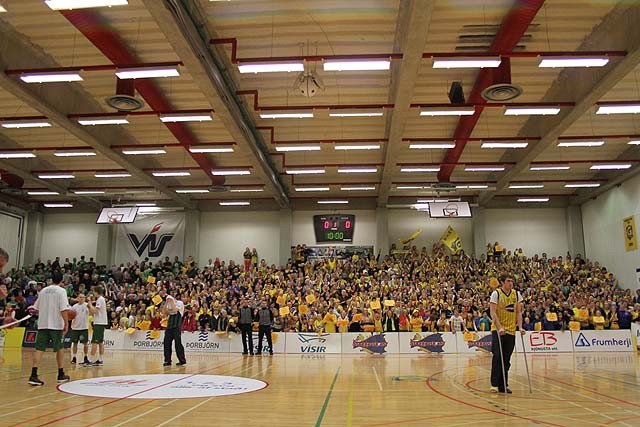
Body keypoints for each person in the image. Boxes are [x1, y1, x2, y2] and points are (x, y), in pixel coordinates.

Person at [29, 272, 70, 386]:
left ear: (51, 280)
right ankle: (61, 374)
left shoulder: (43, 291)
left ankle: (33, 375)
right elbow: (63, 309)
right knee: (60, 348)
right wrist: (66, 323)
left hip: (43, 324)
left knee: (39, 349)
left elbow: (36, 307)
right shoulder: (61, 291)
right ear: (62, 280)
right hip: (56, 325)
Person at [489, 274, 524, 394]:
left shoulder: (516, 294)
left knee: (506, 358)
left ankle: (503, 384)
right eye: (508, 281)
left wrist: (520, 327)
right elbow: (493, 312)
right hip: (498, 329)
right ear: (502, 282)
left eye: (512, 281)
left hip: (511, 330)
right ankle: (494, 384)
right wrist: (499, 327)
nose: (511, 283)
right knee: (497, 356)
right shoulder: (496, 294)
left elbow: (518, 312)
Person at [162, 288, 186, 366]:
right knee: (166, 342)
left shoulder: (180, 303)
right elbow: (164, 312)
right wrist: (166, 302)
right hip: (169, 325)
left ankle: (182, 360)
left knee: (177, 343)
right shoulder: (168, 303)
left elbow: (175, 310)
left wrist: (172, 302)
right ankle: (167, 360)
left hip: (177, 325)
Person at [87, 285, 108, 366]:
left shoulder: (100, 299)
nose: (93, 293)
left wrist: (89, 303)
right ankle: (100, 359)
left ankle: (90, 360)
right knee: (100, 342)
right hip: (101, 322)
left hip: (99, 322)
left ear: (96, 292)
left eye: (94, 292)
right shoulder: (101, 299)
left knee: (94, 342)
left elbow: (95, 311)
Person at [70, 293, 90, 366]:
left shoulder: (87, 305)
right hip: (75, 327)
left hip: (84, 328)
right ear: (78, 298)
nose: (82, 298)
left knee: (85, 344)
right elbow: (71, 316)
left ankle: (85, 357)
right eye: (80, 297)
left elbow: (91, 312)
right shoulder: (74, 307)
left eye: (83, 297)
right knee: (75, 343)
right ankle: (74, 357)